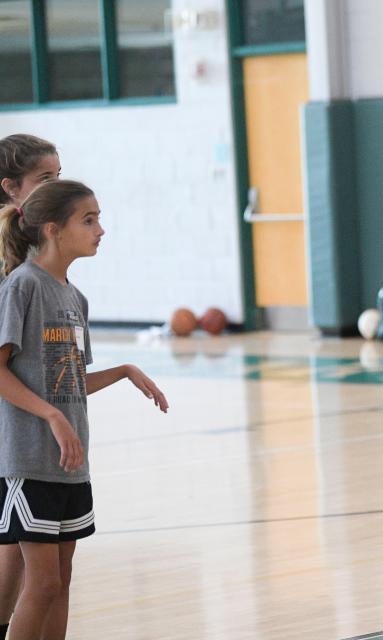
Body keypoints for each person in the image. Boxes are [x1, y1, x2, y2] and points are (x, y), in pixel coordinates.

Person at [0, 180, 169, 640]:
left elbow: (66, 384)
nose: (101, 230)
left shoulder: (76, 299)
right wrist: (52, 418)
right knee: (44, 582)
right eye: (89, 220)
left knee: (62, 583)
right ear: (53, 230)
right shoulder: (22, 286)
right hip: (30, 461)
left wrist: (124, 370)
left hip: (71, 466)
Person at [0, 134, 61, 639]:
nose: (56, 187)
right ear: (10, 188)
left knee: (16, 557)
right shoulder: (15, 276)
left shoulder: (38, 265)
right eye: (46, 179)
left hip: (21, 420)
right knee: (20, 562)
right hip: (13, 424)